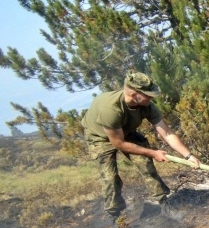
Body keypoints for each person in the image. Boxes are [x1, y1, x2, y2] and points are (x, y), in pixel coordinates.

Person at [82, 71, 200, 218]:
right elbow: (119, 143)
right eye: (147, 94)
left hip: (126, 132)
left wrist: (188, 156)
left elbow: (167, 133)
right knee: (110, 178)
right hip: (99, 138)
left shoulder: (147, 105)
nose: (151, 98)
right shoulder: (110, 109)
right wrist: (153, 153)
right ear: (133, 94)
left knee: (146, 165)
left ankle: (163, 203)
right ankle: (115, 215)